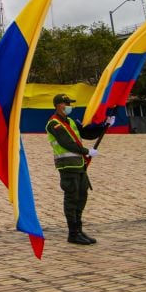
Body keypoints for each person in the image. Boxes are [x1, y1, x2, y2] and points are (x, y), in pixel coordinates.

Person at [46, 93, 112, 245]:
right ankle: (73, 233)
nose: (69, 106)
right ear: (58, 105)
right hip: (67, 165)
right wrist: (87, 151)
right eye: (67, 103)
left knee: (82, 196)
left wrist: (105, 125)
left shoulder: (70, 121)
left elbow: (87, 133)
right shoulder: (54, 123)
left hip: (79, 165)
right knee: (72, 198)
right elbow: (66, 143)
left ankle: (79, 230)